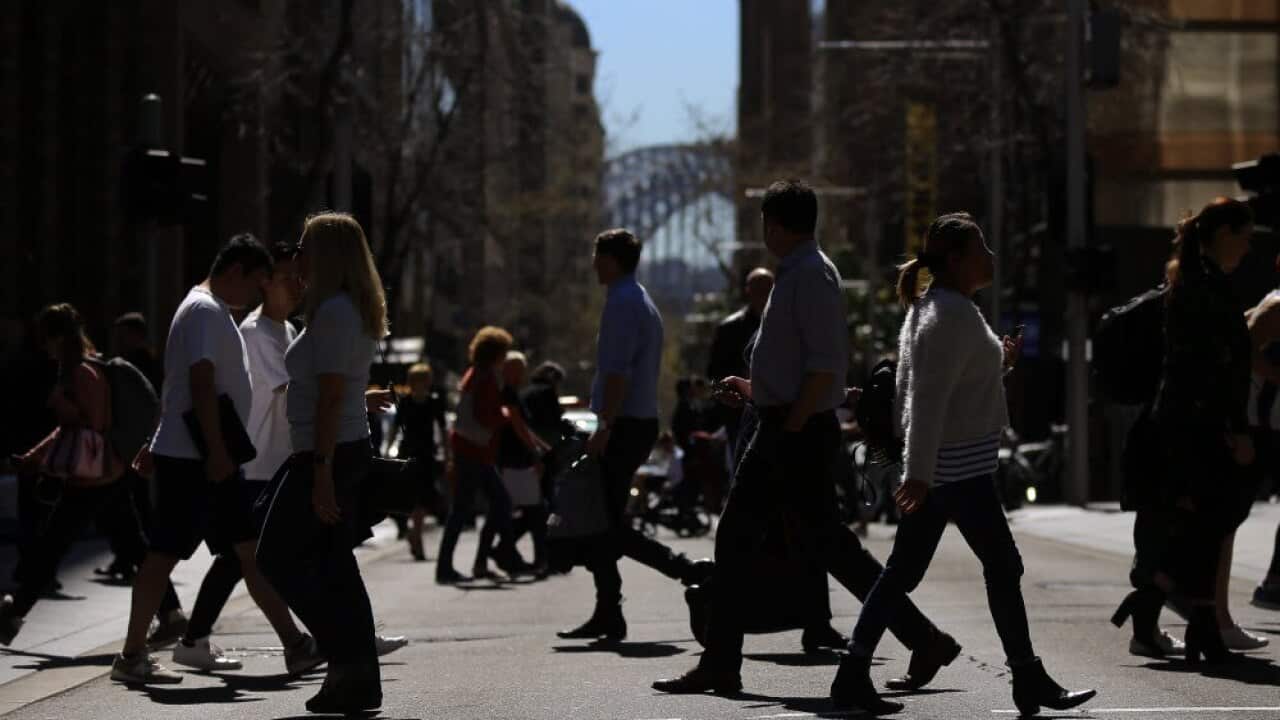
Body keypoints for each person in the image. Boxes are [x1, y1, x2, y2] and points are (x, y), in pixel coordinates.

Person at [652, 182, 961, 701]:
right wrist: (754, 391)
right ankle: (923, 638)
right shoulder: (796, 274)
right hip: (785, 425)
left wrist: (789, 422)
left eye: (764, 222)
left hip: (791, 435)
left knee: (743, 540)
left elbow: (822, 366)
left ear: (776, 224)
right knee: (828, 547)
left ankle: (721, 664)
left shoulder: (810, 276)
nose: (763, 232)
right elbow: (800, 370)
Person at [833, 212, 1094, 715]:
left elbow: (946, 382)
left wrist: (1002, 360)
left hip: (942, 467)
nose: (990, 257)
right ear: (956, 260)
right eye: (981, 249)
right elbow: (926, 398)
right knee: (1002, 566)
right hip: (956, 470)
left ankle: (852, 671)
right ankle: (1027, 678)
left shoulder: (938, 308)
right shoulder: (949, 314)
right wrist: (919, 474)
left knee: (900, 574)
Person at [109, 234, 294, 685]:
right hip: (200, 459)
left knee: (248, 551)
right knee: (166, 554)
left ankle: (298, 644)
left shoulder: (202, 310)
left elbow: (180, 386)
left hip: (201, 455)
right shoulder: (206, 312)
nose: (254, 297)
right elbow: (200, 382)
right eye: (255, 285)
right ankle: (132, 655)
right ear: (235, 272)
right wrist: (213, 452)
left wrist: (158, 440)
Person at [167, 242, 321, 674]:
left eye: (300, 278)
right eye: (288, 277)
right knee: (245, 556)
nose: (298, 286)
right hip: (253, 466)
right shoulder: (251, 331)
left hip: (271, 463)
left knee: (242, 557)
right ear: (264, 280)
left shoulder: (285, 331)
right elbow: (290, 393)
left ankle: (196, 638)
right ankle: (311, 639)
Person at [254, 212, 387, 714]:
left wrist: (322, 474)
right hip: (337, 449)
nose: (298, 258)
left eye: (306, 248)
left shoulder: (334, 312)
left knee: (275, 557)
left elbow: (331, 397)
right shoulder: (344, 309)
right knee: (334, 566)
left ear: (329, 255)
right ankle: (355, 681)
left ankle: (344, 658)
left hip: (326, 454)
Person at [558, 228, 711, 642]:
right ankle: (609, 611)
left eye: (597, 256)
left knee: (607, 524)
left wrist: (603, 426)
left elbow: (616, 374)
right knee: (602, 521)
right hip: (634, 422)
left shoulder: (623, 303)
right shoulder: (636, 299)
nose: (592, 264)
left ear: (612, 260)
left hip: (623, 424)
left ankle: (685, 569)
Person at [0, 304, 184, 646]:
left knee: (53, 544)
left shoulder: (84, 372)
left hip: (95, 478)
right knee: (134, 547)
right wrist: (32, 457)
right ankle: (172, 615)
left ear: (57, 338)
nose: (45, 347)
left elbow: (93, 425)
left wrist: (63, 405)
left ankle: (13, 614)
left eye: (47, 340)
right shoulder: (79, 368)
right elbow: (68, 430)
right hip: (107, 476)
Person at [1125, 198, 1258, 666]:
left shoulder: (1190, 281)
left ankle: (1170, 615)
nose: (1247, 246)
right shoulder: (1208, 289)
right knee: (1208, 524)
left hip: (1181, 424)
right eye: (1243, 236)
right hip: (1200, 428)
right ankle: (1186, 619)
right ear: (1222, 235)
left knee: (1197, 526)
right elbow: (1214, 370)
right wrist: (1235, 430)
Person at [435, 327, 523, 583]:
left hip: (472, 450)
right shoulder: (485, 378)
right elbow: (486, 417)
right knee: (477, 507)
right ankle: (464, 565)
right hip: (475, 451)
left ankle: (482, 561)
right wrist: (504, 416)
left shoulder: (474, 374)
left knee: (477, 507)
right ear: (496, 353)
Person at [496, 351, 552, 572]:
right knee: (535, 512)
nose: (522, 373)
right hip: (514, 461)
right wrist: (535, 452)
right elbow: (517, 426)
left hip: (520, 459)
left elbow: (524, 427)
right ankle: (534, 560)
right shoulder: (507, 394)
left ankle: (506, 553)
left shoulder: (514, 394)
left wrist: (543, 447)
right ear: (507, 370)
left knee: (531, 512)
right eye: (517, 369)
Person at [388, 362, 450, 560]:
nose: (422, 384)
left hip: (426, 455)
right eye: (417, 380)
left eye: (424, 380)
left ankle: (416, 535)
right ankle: (413, 534)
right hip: (407, 454)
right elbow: (395, 428)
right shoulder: (404, 402)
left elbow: (443, 430)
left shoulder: (434, 402)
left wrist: (448, 455)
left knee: (424, 498)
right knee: (407, 497)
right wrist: (388, 451)